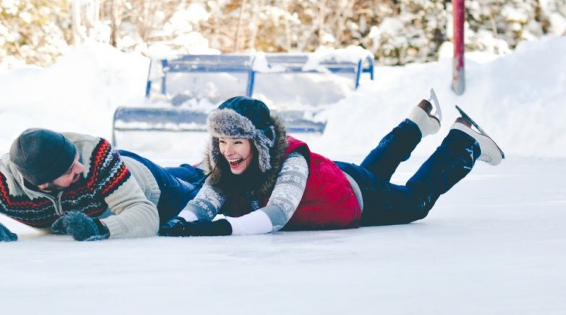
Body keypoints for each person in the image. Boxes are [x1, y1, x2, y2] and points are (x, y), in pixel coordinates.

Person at [159, 92, 504, 237]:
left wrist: (222, 228)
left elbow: (278, 213)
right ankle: (418, 122)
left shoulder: (289, 161)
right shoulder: (228, 165)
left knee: (414, 203)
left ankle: (463, 142)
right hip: (334, 181)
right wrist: (183, 221)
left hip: (352, 198)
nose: (228, 151)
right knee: (372, 172)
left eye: (237, 142)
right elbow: (205, 200)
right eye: (221, 142)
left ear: (260, 142)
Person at [0, 129, 205, 242]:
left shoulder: (95, 157)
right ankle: (195, 167)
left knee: (199, 188)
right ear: (43, 183)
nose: (80, 167)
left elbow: (145, 215)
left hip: (150, 186)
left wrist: (101, 229)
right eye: (69, 170)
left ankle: (203, 169)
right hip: (121, 177)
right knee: (190, 172)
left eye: (75, 158)